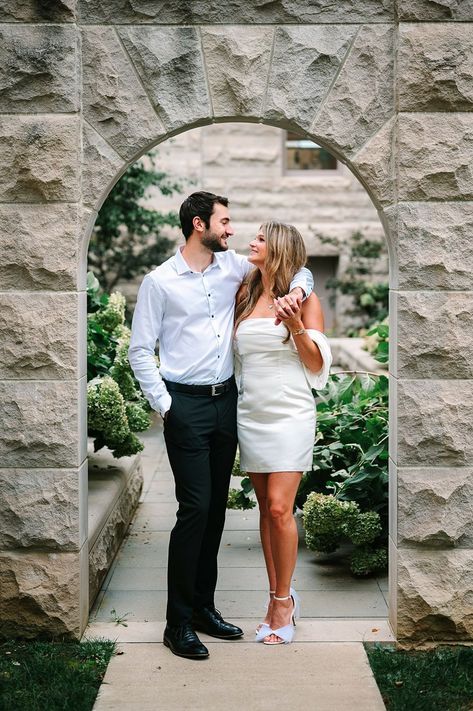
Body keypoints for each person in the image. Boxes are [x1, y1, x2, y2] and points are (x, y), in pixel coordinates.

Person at [128, 192, 313, 660]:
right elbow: (139, 350)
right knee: (194, 509)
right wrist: (167, 405)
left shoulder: (234, 271)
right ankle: (177, 623)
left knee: (215, 513)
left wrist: (297, 290)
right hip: (184, 405)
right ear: (198, 224)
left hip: (227, 405)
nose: (231, 231)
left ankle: (204, 609)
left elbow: (297, 270)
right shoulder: (159, 282)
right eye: (225, 222)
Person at [234, 221, 332, 645]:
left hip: (291, 412)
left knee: (279, 509)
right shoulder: (246, 291)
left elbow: (315, 364)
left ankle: (283, 605)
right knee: (264, 510)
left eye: (259, 238)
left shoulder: (306, 300)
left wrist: (294, 324)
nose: (251, 243)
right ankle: (278, 596)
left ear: (276, 248)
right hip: (250, 413)